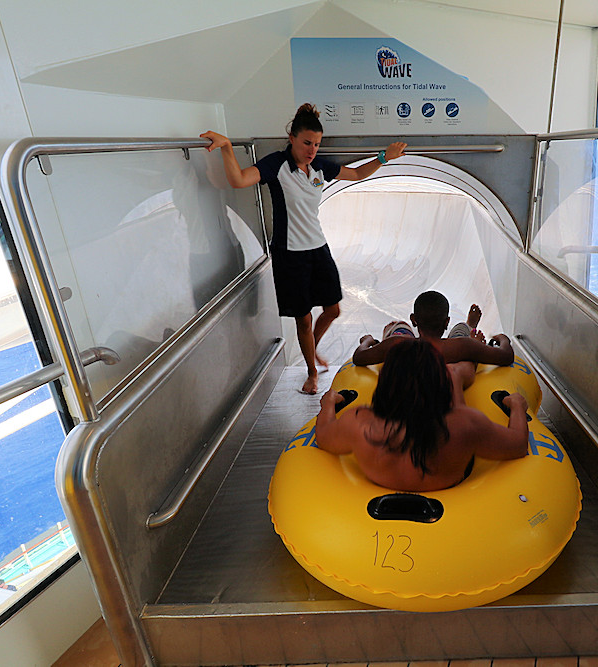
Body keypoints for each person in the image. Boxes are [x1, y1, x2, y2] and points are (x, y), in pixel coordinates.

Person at [202, 104, 408, 394]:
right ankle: (312, 372)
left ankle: (312, 347)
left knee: (333, 309)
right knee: (304, 319)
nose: (312, 149)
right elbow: (238, 180)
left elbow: (358, 174)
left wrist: (385, 157)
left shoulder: (319, 166)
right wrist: (225, 147)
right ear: (292, 138)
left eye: (317, 144)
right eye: (307, 143)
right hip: (289, 254)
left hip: (318, 248)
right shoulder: (276, 165)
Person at [315, 338, 529, 492]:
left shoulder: (359, 422)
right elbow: (518, 444)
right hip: (449, 481)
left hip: (382, 483)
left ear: (384, 383)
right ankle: (456, 370)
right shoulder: (466, 423)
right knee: (455, 377)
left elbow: (323, 436)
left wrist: (329, 404)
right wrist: (517, 405)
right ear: (438, 381)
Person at [352, 291, 514, 368]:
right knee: (460, 330)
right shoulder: (463, 346)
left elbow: (359, 357)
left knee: (399, 327)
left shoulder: (396, 344)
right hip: (454, 347)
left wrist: (367, 340)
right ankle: (468, 326)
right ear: (446, 323)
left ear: (414, 320)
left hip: (404, 344)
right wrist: (502, 338)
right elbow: (506, 356)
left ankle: (398, 328)